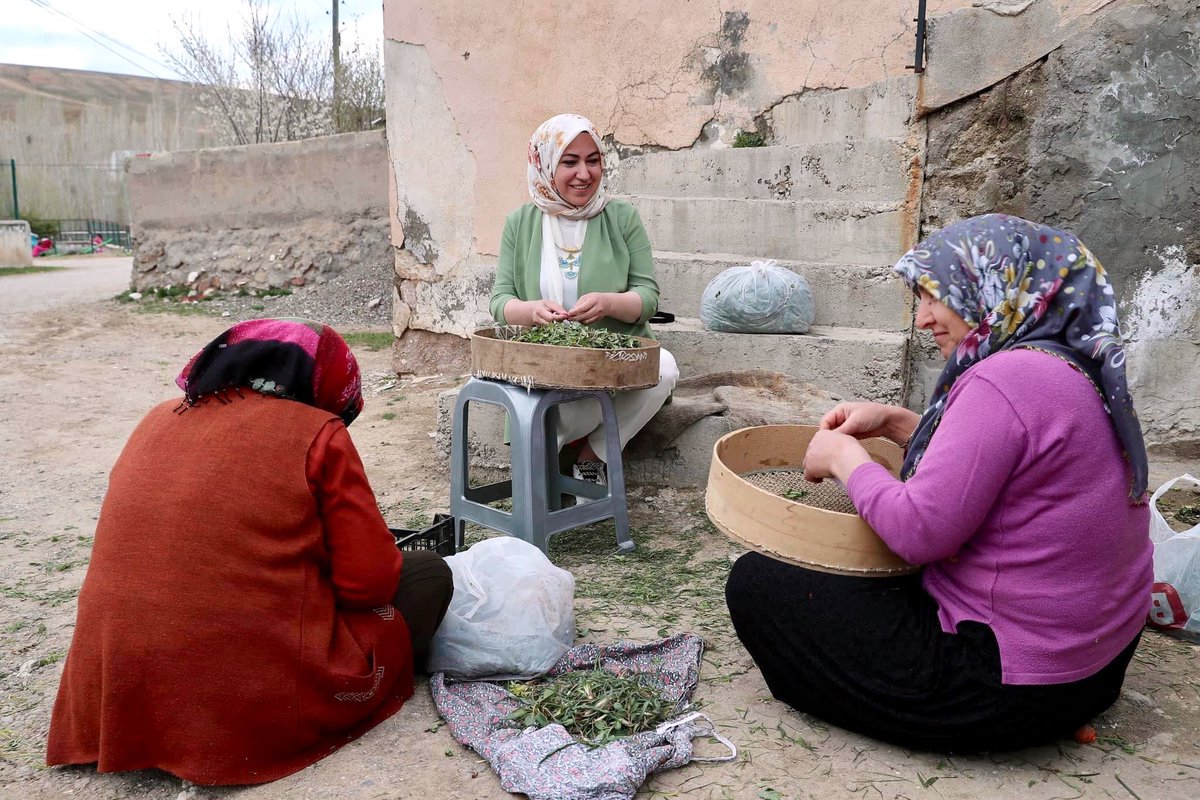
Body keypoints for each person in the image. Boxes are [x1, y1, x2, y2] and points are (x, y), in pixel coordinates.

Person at [724, 214, 1153, 752]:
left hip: (1005, 686)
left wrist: (844, 458)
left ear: (994, 289)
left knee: (759, 583)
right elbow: (1006, 465)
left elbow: (919, 531)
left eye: (935, 295)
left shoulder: (1005, 379)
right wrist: (899, 424)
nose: (924, 318)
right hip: (1096, 667)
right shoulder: (1076, 365)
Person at [46, 318, 453, 785]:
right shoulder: (316, 431)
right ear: (325, 382)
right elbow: (369, 584)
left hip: (112, 689)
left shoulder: (155, 418)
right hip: (243, 698)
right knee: (429, 573)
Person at [490, 113, 678, 480]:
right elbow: (500, 302)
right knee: (543, 427)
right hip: (549, 365)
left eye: (593, 160)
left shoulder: (621, 217)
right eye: (570, 161)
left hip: (612, 360)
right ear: (544, 164)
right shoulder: (519, 223)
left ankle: (593, 456)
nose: (584, 173)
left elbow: (647, 296)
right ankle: (544, 470)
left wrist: (609, 303)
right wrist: (530, 311)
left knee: (665, 367)